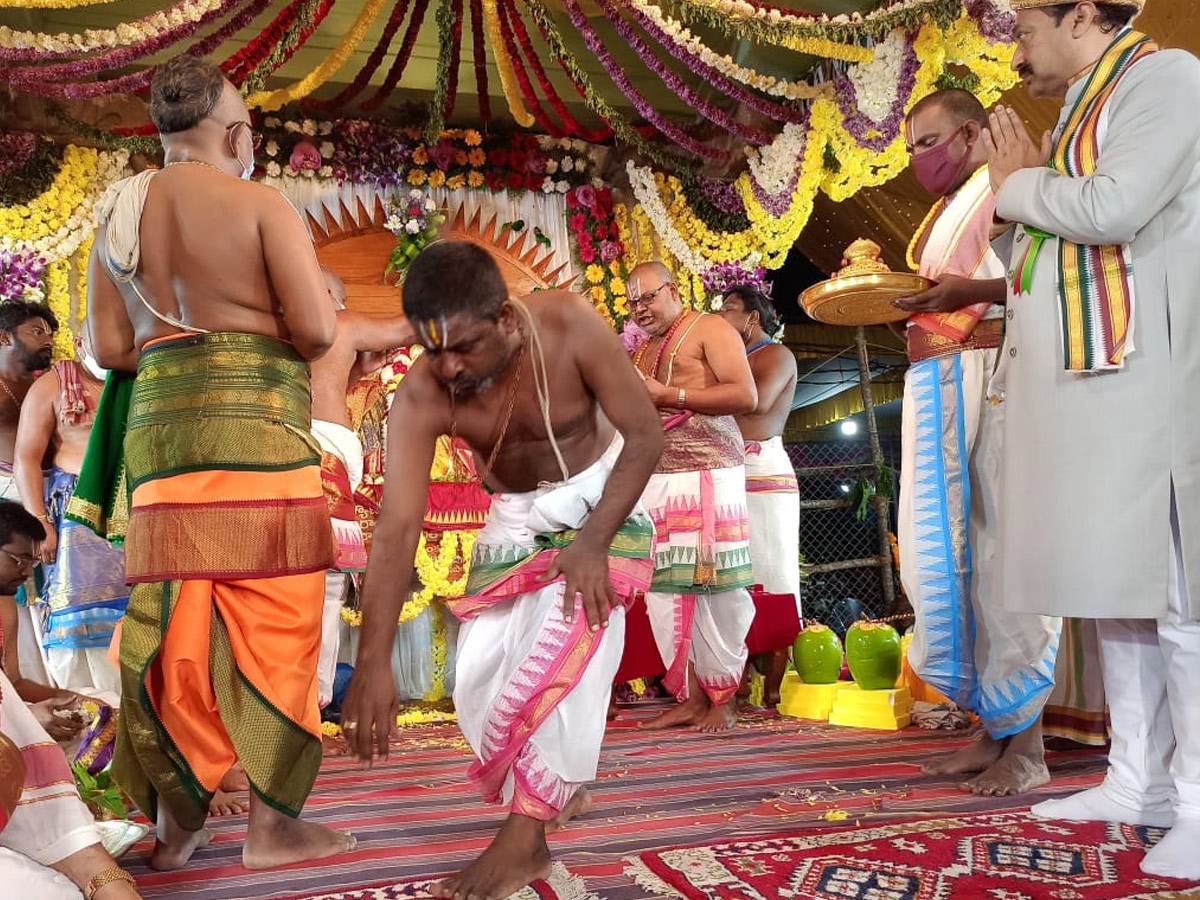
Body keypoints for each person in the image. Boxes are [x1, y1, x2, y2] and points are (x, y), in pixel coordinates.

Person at [84, 54, 350, 871]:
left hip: (164, 434)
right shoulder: (258, 201)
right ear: (237, 133)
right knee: (278, 618)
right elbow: (315, 333)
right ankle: (272, 828)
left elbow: (109, 347)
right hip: (256, 430)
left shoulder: (116, 214)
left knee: (180, 616)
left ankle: (176, 830)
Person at [341, 240, 663, 900]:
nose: (450, 366)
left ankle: (525, 842)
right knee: (482, 691)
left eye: (464, 346)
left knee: (559, 663)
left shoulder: (568, 325)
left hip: (601, 505)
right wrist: (372, 661)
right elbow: (398, 527)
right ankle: (558, 787)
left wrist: (596, 542)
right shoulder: (425, 392)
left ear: (507, 321)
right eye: (434, 351)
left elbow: (646, 435)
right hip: (512, 524)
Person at [982, 0, 1200, 878]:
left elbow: (1114, 205)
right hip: (1108, 381)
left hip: (1159, 373)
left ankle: (1198, 800)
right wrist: (1029, 197)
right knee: (1122, 589)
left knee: (1183, 598)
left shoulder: (1167, 79)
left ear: (1080, 12)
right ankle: (1135, 780)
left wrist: (1016, 186)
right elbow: (1042, 256)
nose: (1014, 38)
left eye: (1025, 18)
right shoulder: (1079, 108)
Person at [891, 88, 1061, 797]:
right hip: (943, 383)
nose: (915, 161)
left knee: (1003, 553)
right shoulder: (954, 202)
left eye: (925, 143)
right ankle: (991, 731)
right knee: (957, 557)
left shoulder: (1009, 179)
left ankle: (1030, 747)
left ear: (967, 135)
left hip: (995, 376)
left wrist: (968, 291)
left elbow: (1045, 271)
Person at [626, 261, 758, 734]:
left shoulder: (710, 327)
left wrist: (672, 395)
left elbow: (746, 395)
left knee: (716, 585)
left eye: (648, 297)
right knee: (666, 590)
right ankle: (691, 695)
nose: (640, 309)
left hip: (710, 472)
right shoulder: (641, 353)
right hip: (659, 479)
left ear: (674, 290)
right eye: (632, 302)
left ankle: (724, 697)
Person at [0, 501, 143, 900]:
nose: (28, 571)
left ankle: (88, 829)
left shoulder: (3, 605)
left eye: (31, 561)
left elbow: (10, 681)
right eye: (18, 560)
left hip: (11, 724)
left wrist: (62, 700)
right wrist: (28, 717)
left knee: (104, 705)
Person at [310, 267, 414, 711]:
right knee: (326, 590)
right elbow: (410, 328)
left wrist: (352, 373)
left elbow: (313, 390)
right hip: (325, 460)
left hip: (287, 455)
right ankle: (310, 712)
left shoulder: (275, 330)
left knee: (295, 589)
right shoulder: (337, 321)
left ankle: (293, 712)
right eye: (341, 297)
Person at [14, 334, 126, 698]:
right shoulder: (52, 386)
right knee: (79, 617)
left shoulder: (139, 380)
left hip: (135, 513)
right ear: (80, 341)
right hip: (75, 517)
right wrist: (40, 521)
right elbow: (27, 457)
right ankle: (93, 713)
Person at [0, 301, 58, 691]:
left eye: (51, 332)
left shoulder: (49, 382)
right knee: (16, 589)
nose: (48, 340)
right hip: (6, 496)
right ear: (4, 337)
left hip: (53, 494)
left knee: (52, 592)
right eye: (37, 331)